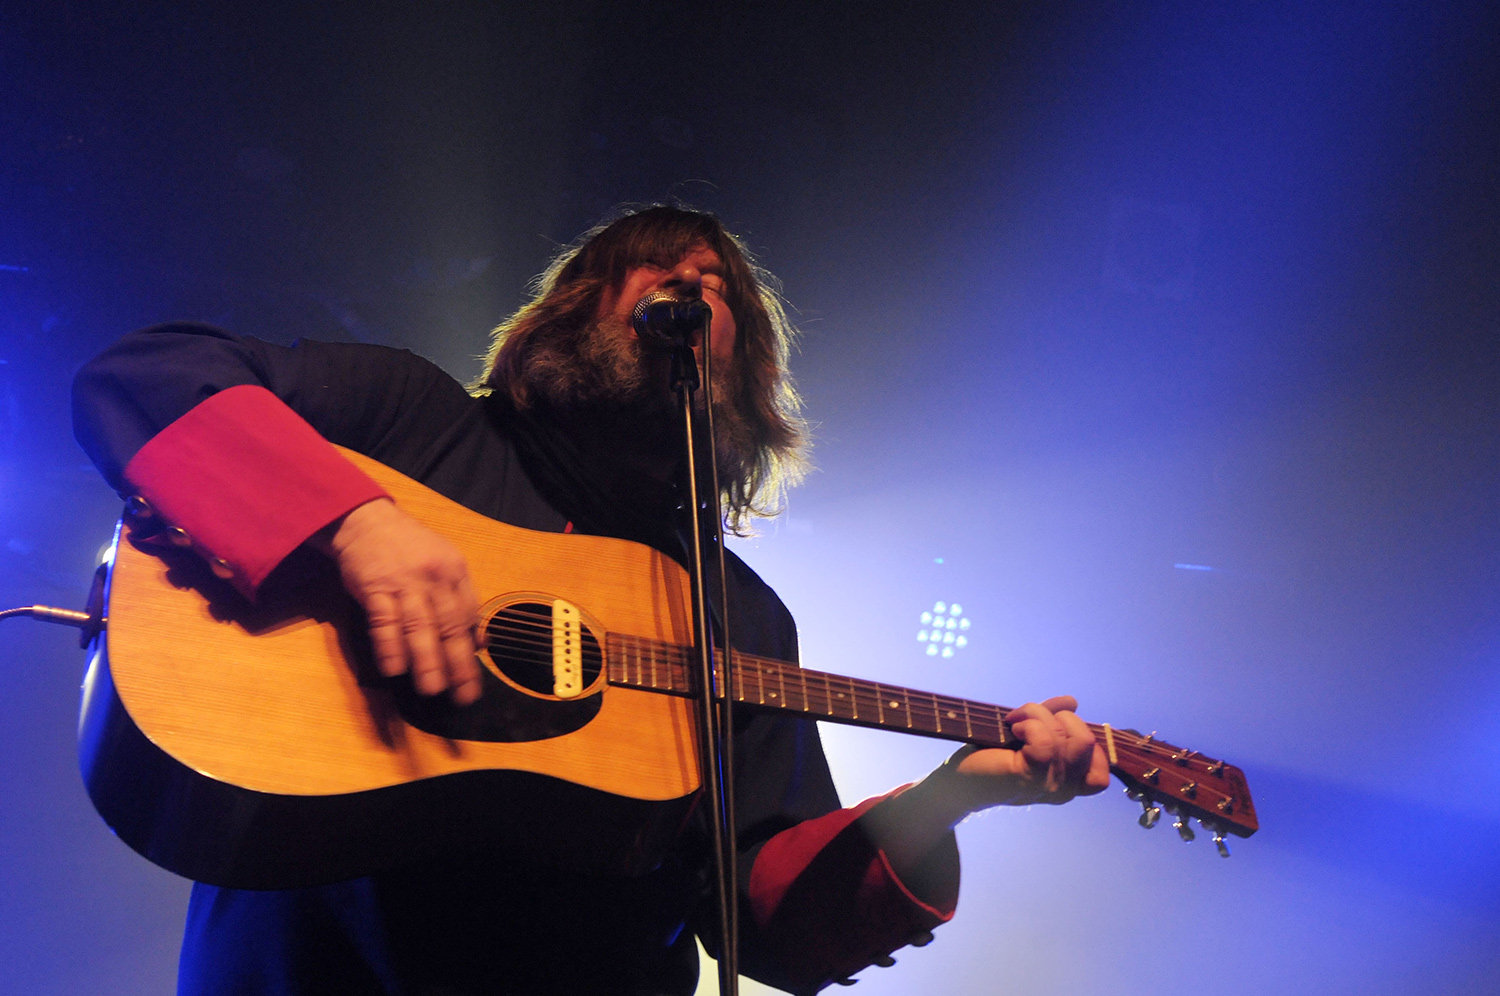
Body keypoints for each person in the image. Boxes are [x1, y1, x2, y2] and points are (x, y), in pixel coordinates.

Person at [72, 205, 1109, 996]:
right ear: (574, 307)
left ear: (741, 367)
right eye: (656, 272)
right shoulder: (413, 423)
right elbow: (151, 375)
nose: (692, 285)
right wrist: (354, 522)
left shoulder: (739, 618)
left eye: (718, 290)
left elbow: (767, 913)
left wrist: (951, 797)